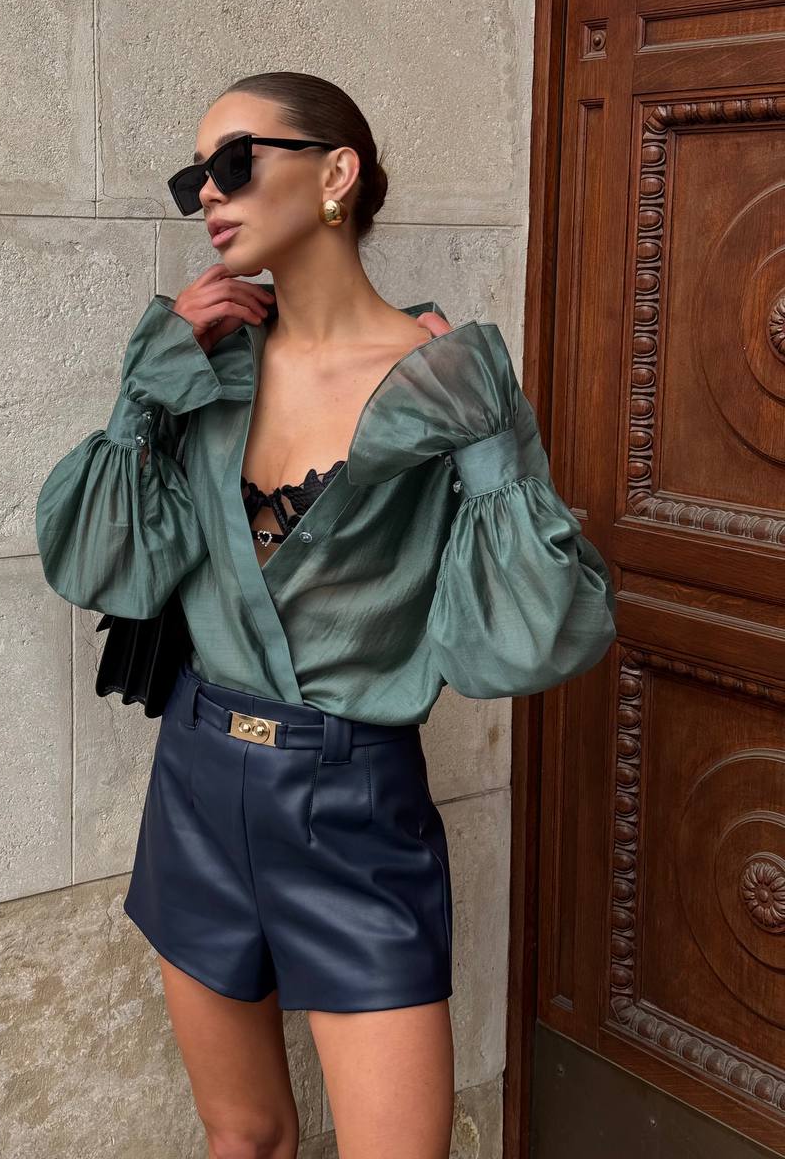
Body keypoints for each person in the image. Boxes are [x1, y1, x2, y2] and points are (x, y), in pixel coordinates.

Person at [35, 71, 617, 1159]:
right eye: (193, 175)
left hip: (354, 801)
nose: (208, 194)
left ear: (336, 172)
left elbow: (535, 638)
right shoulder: (206, 373)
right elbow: (99, 562)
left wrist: (491, 433)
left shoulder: (440, 380)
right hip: (198, 781)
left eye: (234, 162)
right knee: (243, 1132)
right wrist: (146, 389)